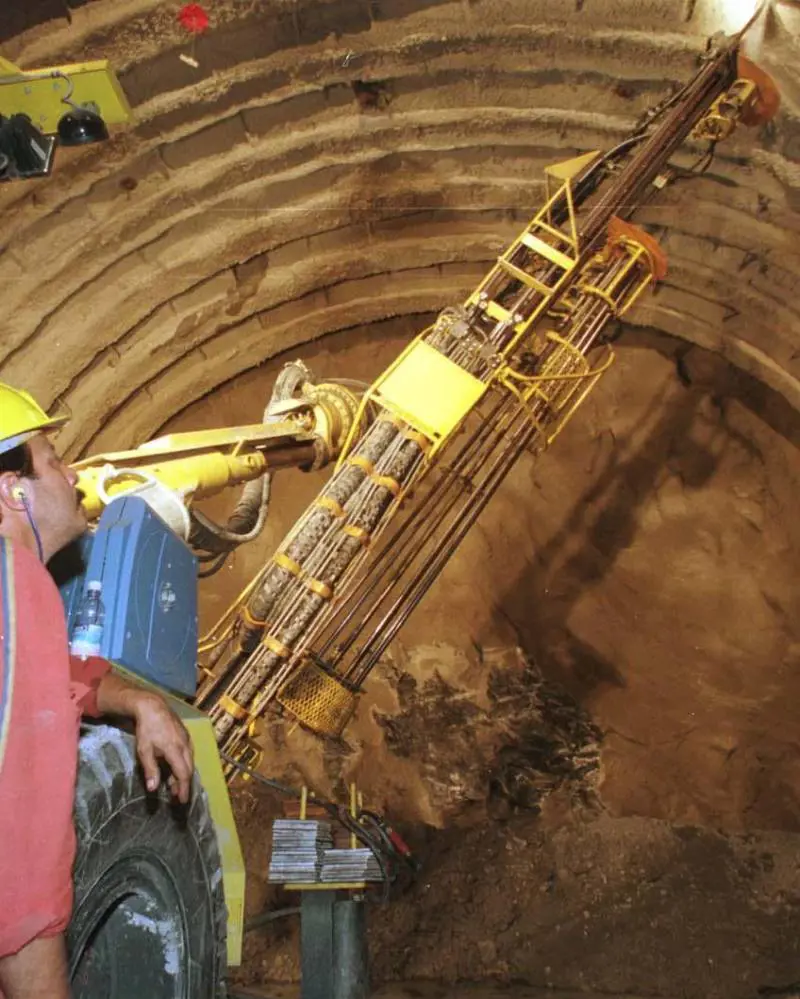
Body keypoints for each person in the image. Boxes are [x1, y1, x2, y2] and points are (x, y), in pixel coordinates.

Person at [0, 383, 195, 999]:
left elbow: (49, 681)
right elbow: (19, 849)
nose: (73, 473)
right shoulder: (17, 580)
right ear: (12, 489)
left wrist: (140, 702)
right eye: (53, 459)